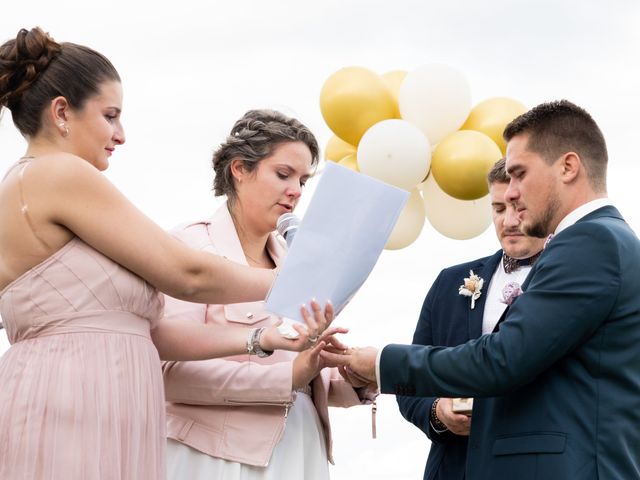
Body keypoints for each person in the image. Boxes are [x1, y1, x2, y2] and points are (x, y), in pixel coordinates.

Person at [0, 27, 333, 479]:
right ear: (62, 112)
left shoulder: (48, 183)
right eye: (110, 115)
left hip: (106, 400)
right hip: (71, 397)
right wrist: (298, 280)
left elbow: (153, 332)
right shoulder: (57, 173)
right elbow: (186, 273)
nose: (121, 134)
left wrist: (262, 340)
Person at [325, 100, 640, 479]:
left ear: (568, 167)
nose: (510, 194)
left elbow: (503, 359)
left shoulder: (591, 241)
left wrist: (379, 363)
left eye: (520, 174)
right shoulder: (606, 240)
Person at [162, 109, 377, 480]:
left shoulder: (297, 258)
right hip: (215, 458)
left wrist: (347, 378)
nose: (295, 190)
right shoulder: (190, 246)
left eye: (303, 181)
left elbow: (300, 376)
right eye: (283, 174)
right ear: (239, 169)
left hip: (301, 449)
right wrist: (288, 377)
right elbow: (171, 374)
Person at [396, 157, 545, 480]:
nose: (508, 221)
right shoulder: (449, 282)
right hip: (454, 468)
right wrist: (438, 413)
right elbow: (411, 382)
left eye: (519, 208)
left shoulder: (573, 280)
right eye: (498, 208)